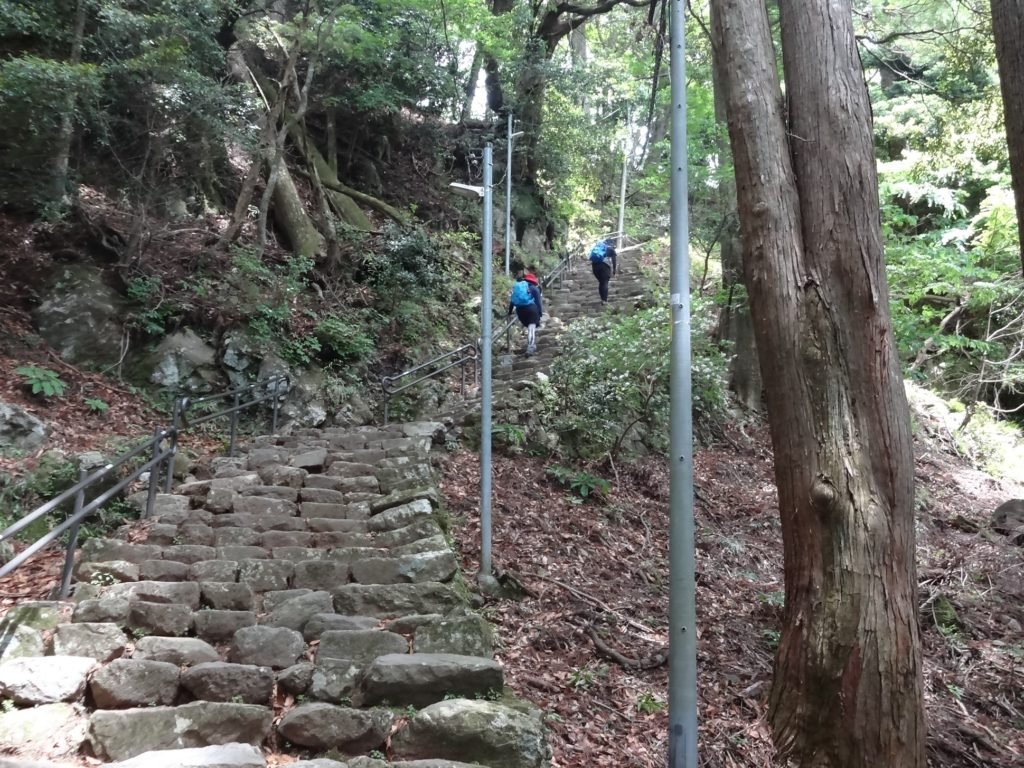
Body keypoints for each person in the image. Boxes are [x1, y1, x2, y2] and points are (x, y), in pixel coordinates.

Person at [507, 272, 543, 355]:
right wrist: (540, 313)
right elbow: (538, 302)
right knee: (531, 327)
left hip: (520, 311)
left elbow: (512, 301)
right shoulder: (534, 288)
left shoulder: (518, 288)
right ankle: (530, 347)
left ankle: (531, 346)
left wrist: (509, 312)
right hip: (531, 309)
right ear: (533, 281)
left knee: (529, 326)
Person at [589, 238, 617, 305]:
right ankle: (604, 300)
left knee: (601, 282)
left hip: (595, 266)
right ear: (611, 243)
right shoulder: (610, 248)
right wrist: (614, 270)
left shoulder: (598, 247)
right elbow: (614, 260)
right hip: (605, 266)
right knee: (604, 283)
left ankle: (603, 299)